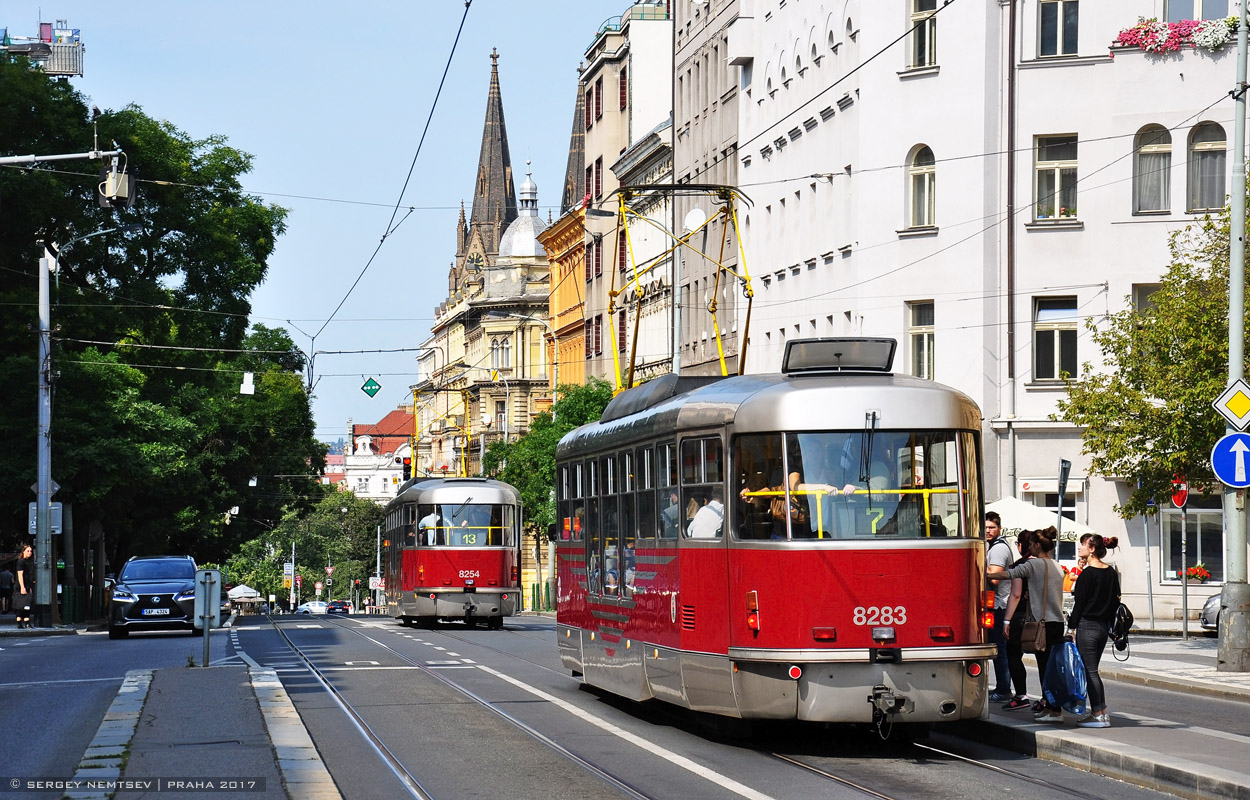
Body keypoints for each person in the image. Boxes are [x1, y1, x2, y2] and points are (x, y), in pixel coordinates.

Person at [1001, 526, 1065, 722]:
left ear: (1037, 545)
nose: (1029, 548)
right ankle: (1049, 705)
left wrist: (984, 574)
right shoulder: (1057, 566)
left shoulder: (1033, 565)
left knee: (1045, 667)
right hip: (1057, 621)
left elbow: (1008, 575)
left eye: (1031, 544)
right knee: (1050, 666)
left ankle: (1054, 710)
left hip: (1042, 623)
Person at [1068, 533, 1121, 728]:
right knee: (1093, 670)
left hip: (1087, 625)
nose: (1079, 547)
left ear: (1091, 549)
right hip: (1103, 627)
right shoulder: (1111, 572)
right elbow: (1116, 601)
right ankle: (1100, 712)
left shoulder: (1087, 575)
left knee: (1090, 671)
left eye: (1082, 544)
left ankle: (1099, 713)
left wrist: (1071, 628)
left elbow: (1079, 605)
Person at [1000, 530, 1035, 711]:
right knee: (1043, 658)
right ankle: (1048, 700)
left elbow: (1015, 594)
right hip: (1043, 618)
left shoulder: (1020, 566)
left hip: (1020, 616)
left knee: (1013, 655)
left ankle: (1021, 695)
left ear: (1022, 546)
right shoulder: (1048, 565)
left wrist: (1007, 620)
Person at [983, 511, 1013, 703]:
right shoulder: (993, 546)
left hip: (999, 604)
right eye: (985, 527)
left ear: (999, 528)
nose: (988, 531)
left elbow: (994, 578)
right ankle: (1002, 687)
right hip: (997, 604)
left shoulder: (999, 549)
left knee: (999, 649)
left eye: (992, 527)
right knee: (998, 648)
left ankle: (1003, 688)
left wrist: (978, 564)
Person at [14, 544, 34, 629]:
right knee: (20, 605)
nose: (30, 553)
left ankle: (26, 621)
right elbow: (20, 574)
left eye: (31, 551)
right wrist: (22, 587)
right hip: (21, 587)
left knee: (27, 605)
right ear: (23, 551)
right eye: (28, 551)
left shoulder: (27, 562)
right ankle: (19, 623)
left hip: (27, 585)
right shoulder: (21, 561)